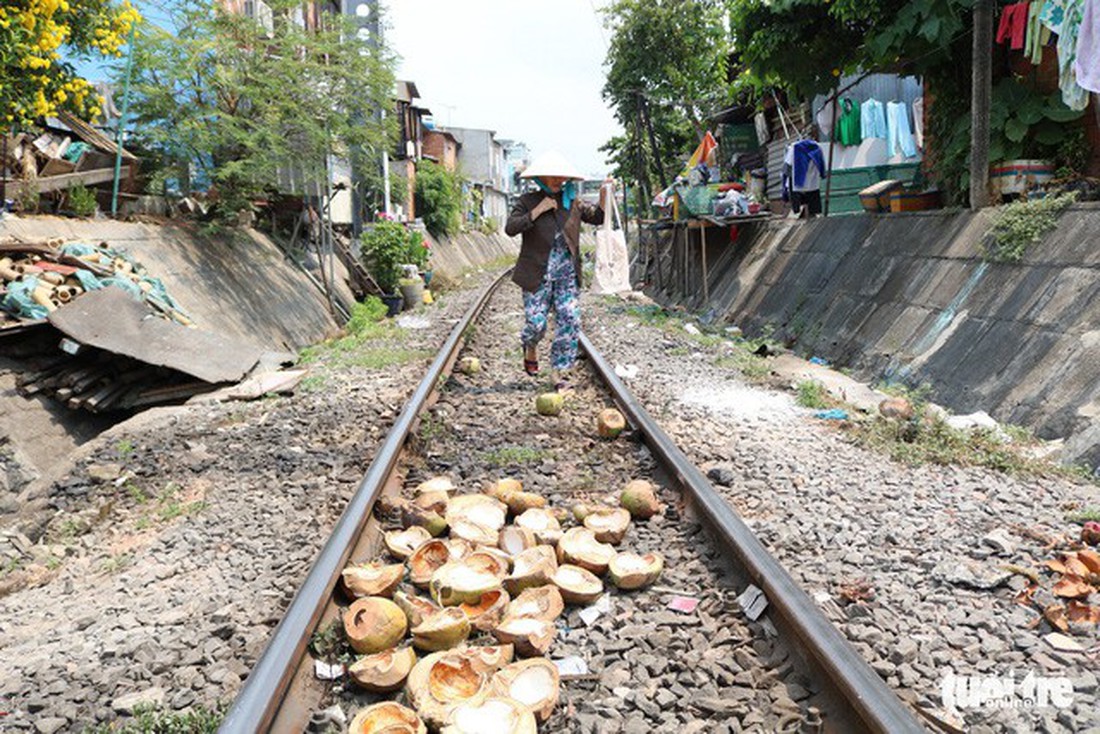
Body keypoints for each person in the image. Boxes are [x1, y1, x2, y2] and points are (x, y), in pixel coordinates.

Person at [505, 151, 608, 390]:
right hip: (536, 274)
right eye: (552, 177)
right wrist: (537, 211)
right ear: (541, 178)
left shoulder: (573, 202)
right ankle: (530, 345)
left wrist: (603, 195)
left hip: (566, 275)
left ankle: (558, 372)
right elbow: (510, 228)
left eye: (560, 177)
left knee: (570, 319)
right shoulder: (527, 200)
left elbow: (599, 217)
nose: (557, 181)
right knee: (536, 324)